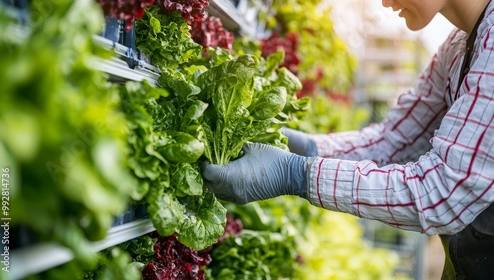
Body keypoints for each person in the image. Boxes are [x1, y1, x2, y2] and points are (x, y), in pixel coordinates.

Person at [201, 0, 494, 278]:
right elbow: (393, 140)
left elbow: (441, 192)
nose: (385, 3)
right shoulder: (457, 46)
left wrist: (294, 174)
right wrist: (305, 146)